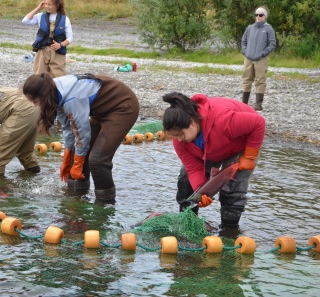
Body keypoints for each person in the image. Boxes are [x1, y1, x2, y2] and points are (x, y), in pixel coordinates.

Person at [22, 73, 139, 202]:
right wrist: (67, 160)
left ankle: (104, 204)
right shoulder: (52, 93)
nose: (35, 105)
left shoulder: (71, 99)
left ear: (43, 96)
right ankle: (75, 198)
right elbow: (69, 129)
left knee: (97, 160)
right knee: (76, 154)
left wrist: (77, 164)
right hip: (101, 111)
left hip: (122, 108)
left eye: (35, 101)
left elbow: (82, 134)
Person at [161, 92, 265, 228]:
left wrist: (249, 156)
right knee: (186, 181)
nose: (179, 139)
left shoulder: (223, 121)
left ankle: (229, 230)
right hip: (209, 149)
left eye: (180, 134)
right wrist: (201, 192)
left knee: (232, 189)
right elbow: (193, 169)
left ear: (192, 123)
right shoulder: (180, 142)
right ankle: (188, 221)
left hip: (241, 143)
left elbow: (259, 123)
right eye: (175, 136)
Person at [22, 0, 73, 78]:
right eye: (45, 4)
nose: (46, 6)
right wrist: (38, 8)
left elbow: (70, 38)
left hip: (57, 51)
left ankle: (56, 90)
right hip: (42, 50)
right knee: (39, 75)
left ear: (57, 5)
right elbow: (25, 21)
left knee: (59, 76)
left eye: (49, 4)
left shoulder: (65, 19)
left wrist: (60, 45)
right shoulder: (40, 16)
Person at [241, 6, 276, 111]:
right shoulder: (250, 28)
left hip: (261, 59)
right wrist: (245, 51)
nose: (258, 17)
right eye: (256, 15)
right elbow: (243, 41)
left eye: (260, 15)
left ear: (265, 16)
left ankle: (258, 104)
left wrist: (263, 53)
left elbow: (272, 44)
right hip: (248, 58)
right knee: (246, 79)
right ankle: (244, 104)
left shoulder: (269, 28)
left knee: (260, 80)